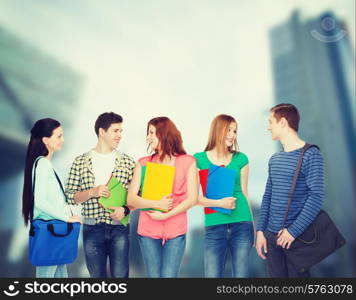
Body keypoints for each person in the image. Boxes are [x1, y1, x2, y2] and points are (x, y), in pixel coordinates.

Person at [256, 103, 325, 278]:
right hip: (271, 240)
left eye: (271, 122)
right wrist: (260, 232)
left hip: (296, 239)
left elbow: (316, 197)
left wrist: (293, 232)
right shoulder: (275, 159)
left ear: (283, 122)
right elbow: (268, 197)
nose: (268, 127)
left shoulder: (311, 154)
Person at [65, 112, 135, 278]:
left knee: (121, 278)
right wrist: (92, 192)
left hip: (120, 228)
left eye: (121, 131)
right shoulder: (80, 161)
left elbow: (138, 196)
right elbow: (70, 196)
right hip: (92, 228)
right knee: (97, 280)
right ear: (102, 132)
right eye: (115, 131)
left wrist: (125, 209)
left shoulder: (128, 162)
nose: (120, 135)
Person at [127, 116, 198, 278]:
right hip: (148, 229)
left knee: (168, 277)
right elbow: (131, 199)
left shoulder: (188, 162)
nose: (148, 137)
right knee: (154, 277)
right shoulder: (143, 163)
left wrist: (166, 214)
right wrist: (157, 203)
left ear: (164, 134)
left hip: (176, 229)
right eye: (148, 133)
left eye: (152, 133)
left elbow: (193, 198)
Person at [194, 114, 255, 277]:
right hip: (214, 226)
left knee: (241, 276)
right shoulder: (198, 160)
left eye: (235, 131)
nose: (233, 134)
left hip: (242, 224)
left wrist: (254, 228)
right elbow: (193, 198)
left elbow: (244, 192)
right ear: (217, 130)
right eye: (229, 129)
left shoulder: (241, 158)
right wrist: (220, 203)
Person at [22, 118, 80, 278]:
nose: (63, 140)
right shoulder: (43, 165)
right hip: (51, 232)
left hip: (55, 231)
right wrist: (67, 219)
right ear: (46, 140)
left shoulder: (45, 165)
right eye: (59, 136)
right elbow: (40, 202)